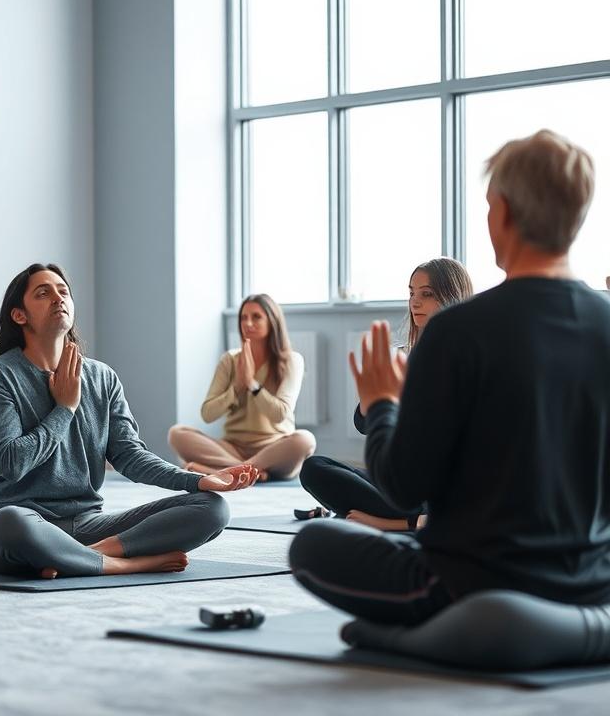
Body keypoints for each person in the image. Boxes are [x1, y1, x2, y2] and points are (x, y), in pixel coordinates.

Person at [289, 129, 610, 625]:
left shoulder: (459, 330)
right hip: (592, 585)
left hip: (471, 583)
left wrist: (381, 405)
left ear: (500, 212)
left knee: (313, 545)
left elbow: (402, 483)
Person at [0, 263, 258, 579]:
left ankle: (89, 557)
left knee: (213, 508)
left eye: (63, 291)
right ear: (19, 315)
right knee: (7, 522)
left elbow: (130, 456)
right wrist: (65, 408)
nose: (58, 298)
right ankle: (126, 564)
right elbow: (12, 463)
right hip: (26, 525)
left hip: (90, 527)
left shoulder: (102, 377)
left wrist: (197, 481)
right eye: (43, 293)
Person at [299, 258, 473, 531]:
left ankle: (401, 522)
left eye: (426, 294)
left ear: (453, 296)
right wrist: (374, 398)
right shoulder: (406, 355)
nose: (415, 303)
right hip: (401, 481)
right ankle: (382, 515)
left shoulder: (468, 361)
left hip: (441, 491)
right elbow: (364, 425)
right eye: (412, 293)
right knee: (314, 468)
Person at [168, 294, 316, 481]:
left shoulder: (291, 361)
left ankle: (228, 471)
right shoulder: (230, 360)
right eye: (243, 317)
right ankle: (251, 472)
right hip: (232, 448)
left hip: (274, 450)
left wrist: (252, 385)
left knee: (305, 440)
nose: (248, 323)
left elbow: (280, 414)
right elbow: (207, 413)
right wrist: (237, 388)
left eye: (256, 317)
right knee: (177, 433)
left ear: (272, 321)